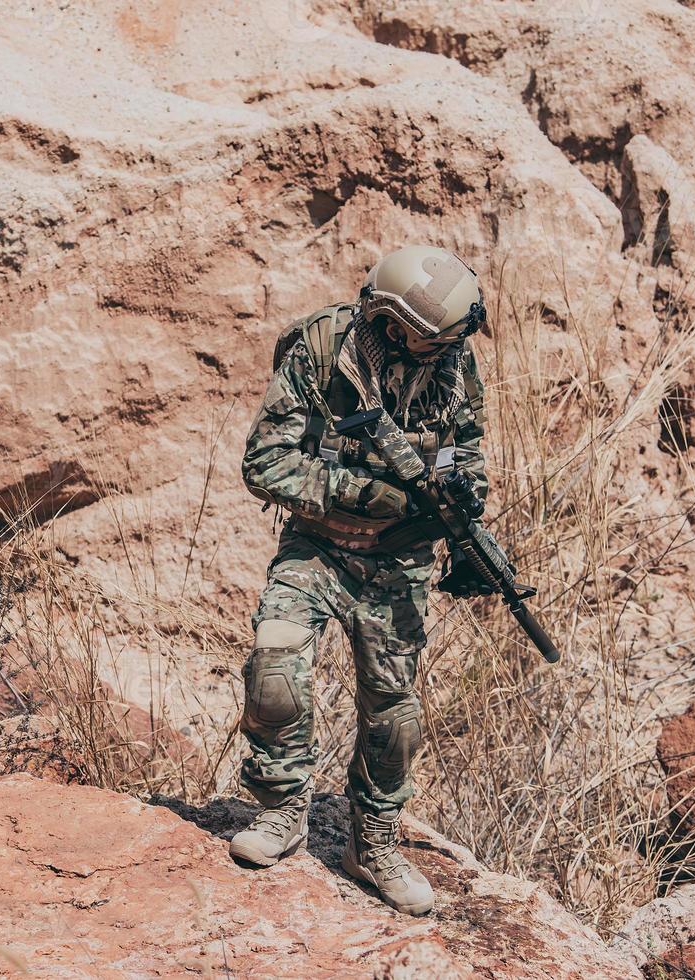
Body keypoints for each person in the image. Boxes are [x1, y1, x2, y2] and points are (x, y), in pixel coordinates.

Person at [230, 244, 491, 916]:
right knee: (275, 667)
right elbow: (265, 462)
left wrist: (464, 518)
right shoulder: (320, 351)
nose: (447, 349)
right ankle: (282, 811)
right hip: (316, 545)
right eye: (436, 339)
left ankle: (372, 842)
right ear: (397, 323)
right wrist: (353, 491)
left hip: (398, 565)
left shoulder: (455, 368)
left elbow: (468, 451)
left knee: (395, 714)